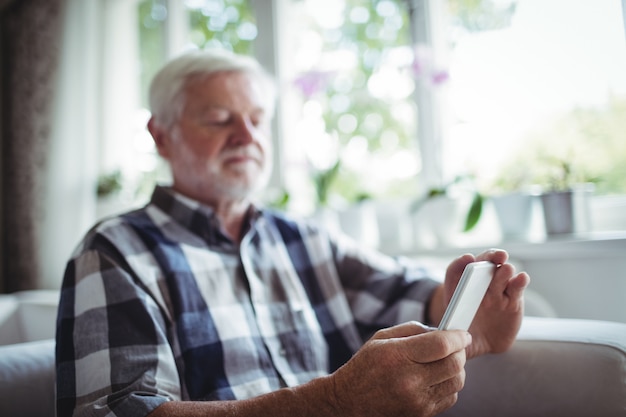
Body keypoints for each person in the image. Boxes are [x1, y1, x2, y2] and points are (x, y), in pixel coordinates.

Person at [55, 48, 530, 417]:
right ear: (161, 135)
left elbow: (414, 296)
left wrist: (475, 321)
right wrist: (335, 404)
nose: (246, 134)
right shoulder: (115, 251)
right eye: (220, 119)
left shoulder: (301, 238)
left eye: (257, 119)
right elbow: (119, 412)